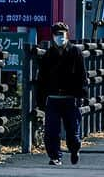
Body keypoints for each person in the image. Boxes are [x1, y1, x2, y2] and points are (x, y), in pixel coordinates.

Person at [36, 22, 88, 166]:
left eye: (62, 34)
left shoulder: (75, 53)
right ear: (53, 37)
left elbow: (82, 76)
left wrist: (82, 95)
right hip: (52, 98)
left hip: (71, 98)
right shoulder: (48, 55)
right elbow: (42, 79)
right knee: (51, 131)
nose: (60, 37)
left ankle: (74, 149)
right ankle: (55, 156)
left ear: (67, 35)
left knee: (73, 131)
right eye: (57, 34)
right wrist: (40, 99)